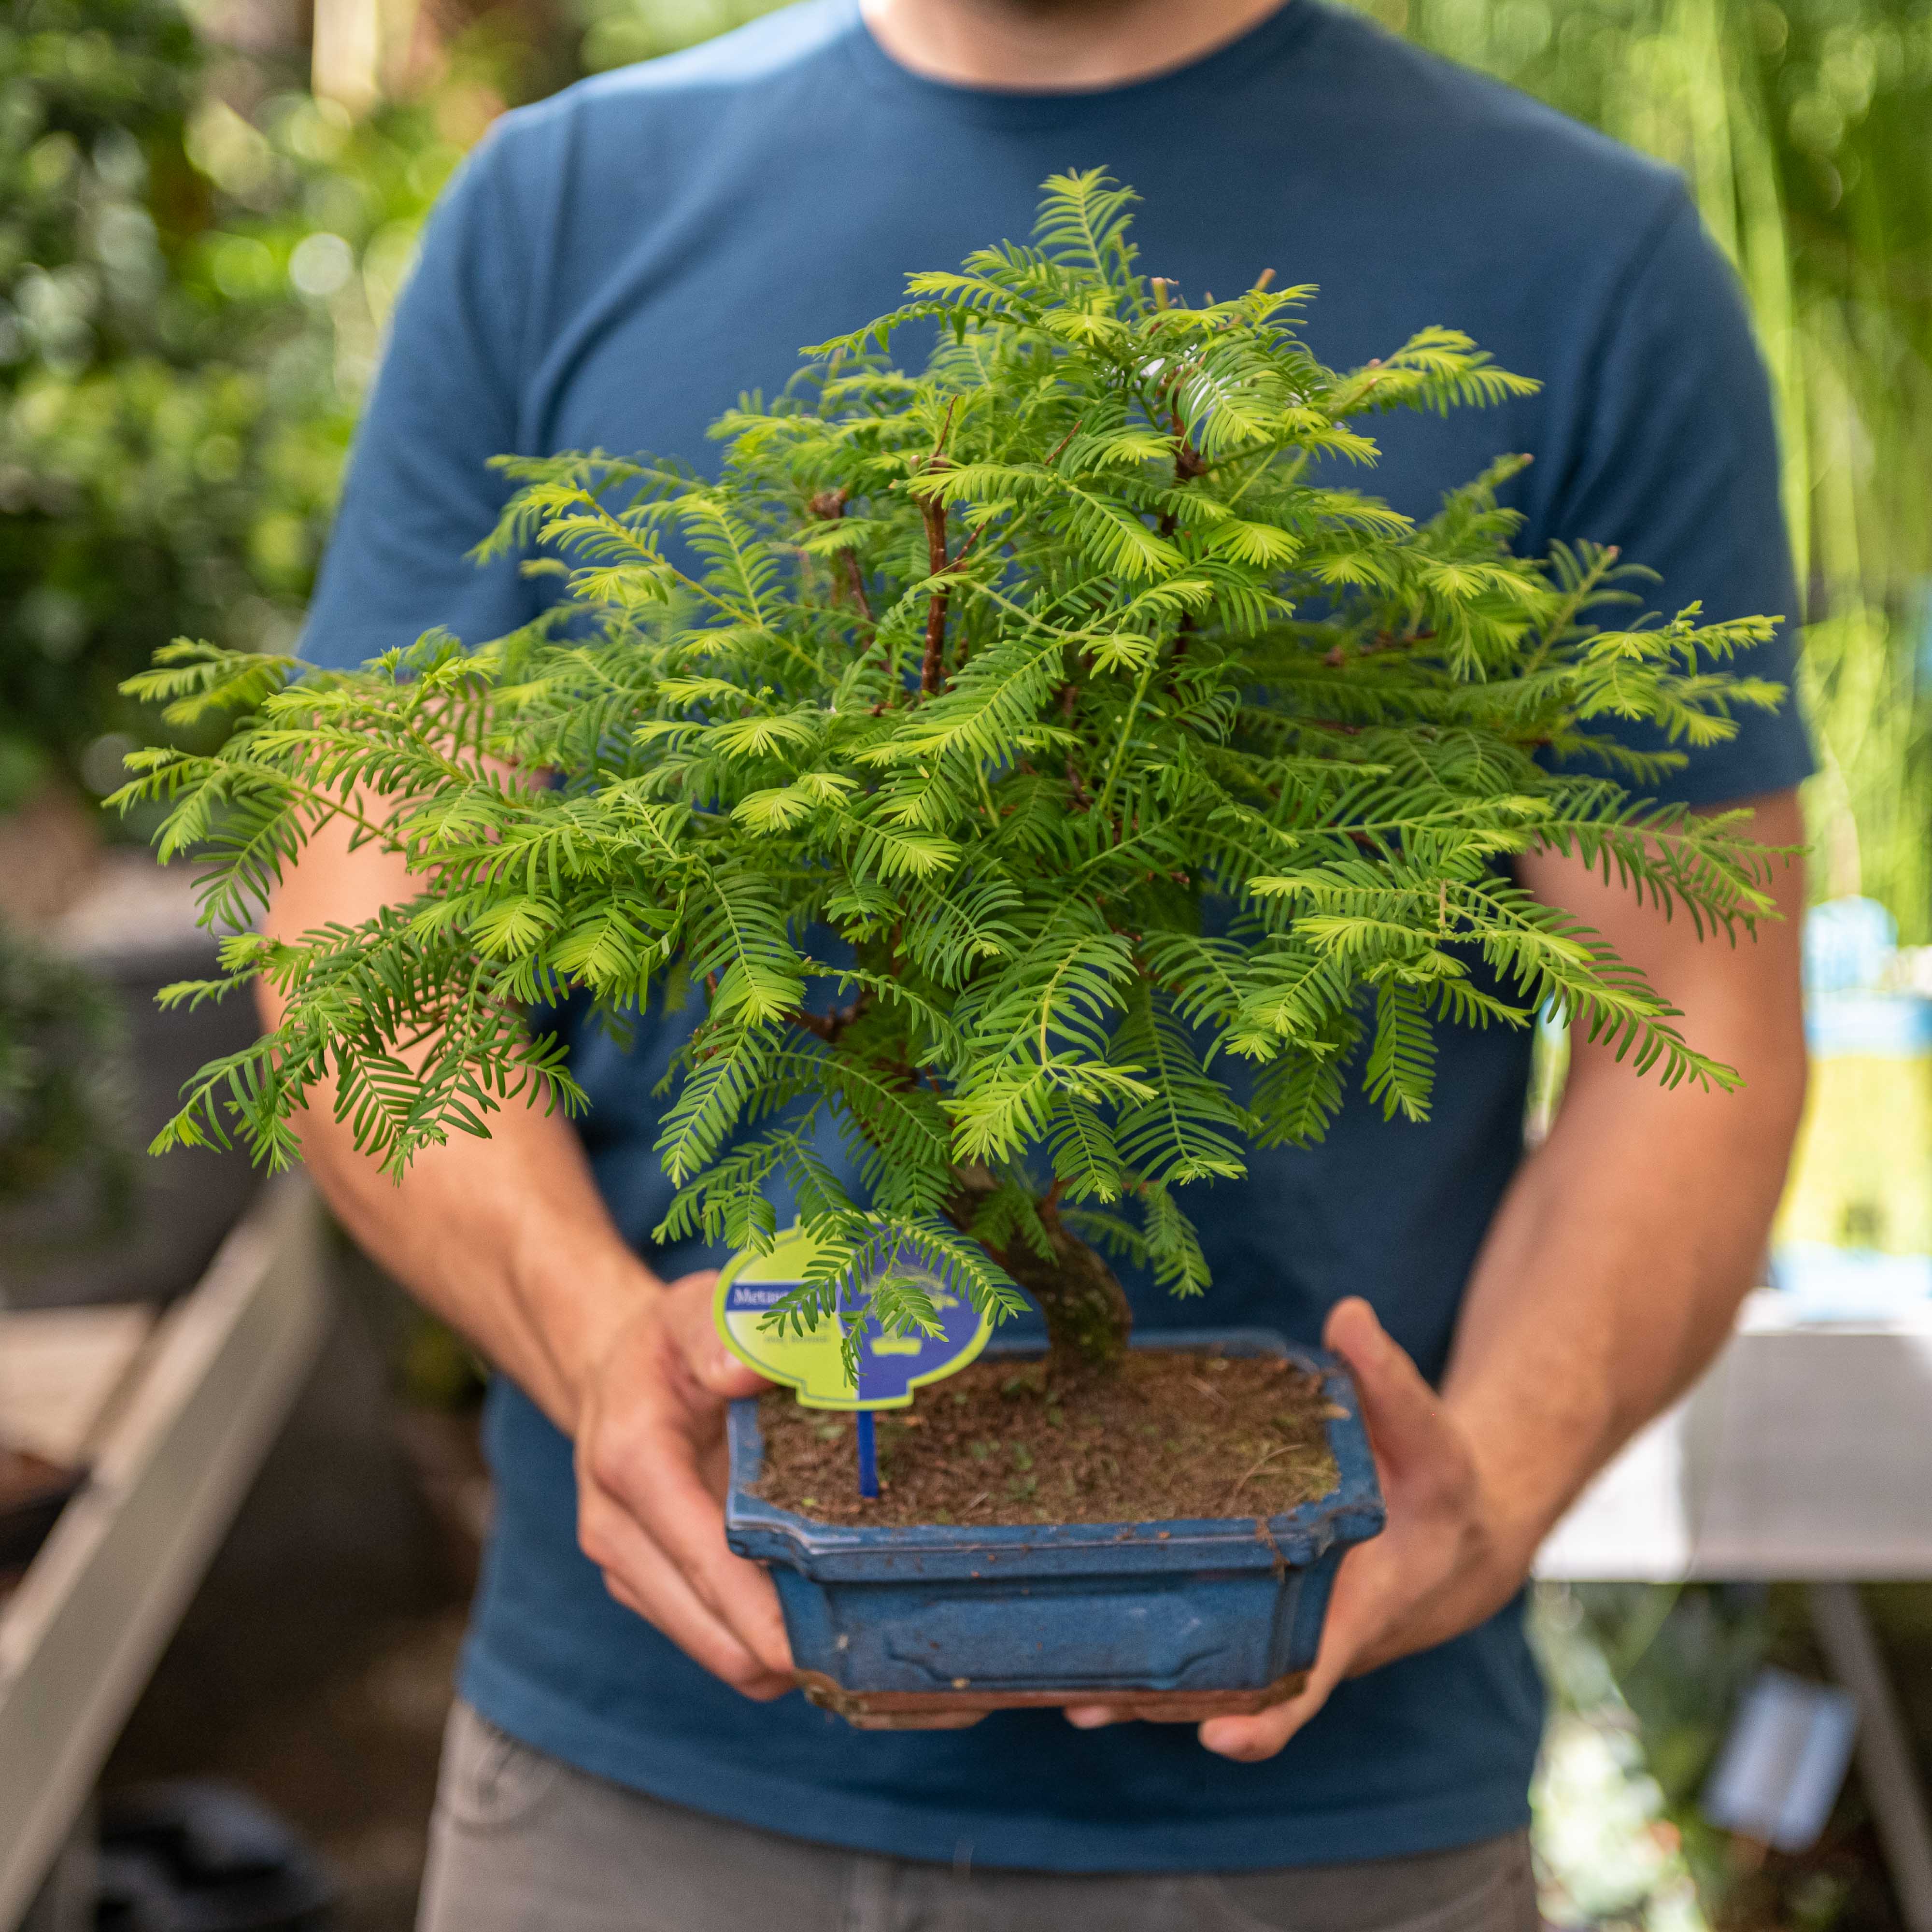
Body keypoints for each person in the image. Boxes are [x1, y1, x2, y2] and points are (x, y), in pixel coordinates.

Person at [285, 0, 1811, 1924]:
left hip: (1328, 1812)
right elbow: (360, 913)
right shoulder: (558, 203)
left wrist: (1490, 1478)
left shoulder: (1589, 255)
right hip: (635, 1780)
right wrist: (599, 1341)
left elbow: (1700, 1008)